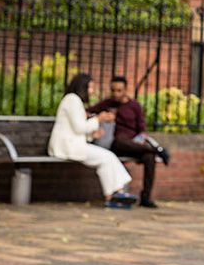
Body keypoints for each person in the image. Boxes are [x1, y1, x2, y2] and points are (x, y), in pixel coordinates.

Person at [48, 73, 137, 209]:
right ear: (83, 87)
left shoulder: (74, 100)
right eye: (90, 87)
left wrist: (92, 135)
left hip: (74, 144)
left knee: (106, 159)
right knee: (107, 157)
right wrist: (98, 119)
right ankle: (117, 194)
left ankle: (115, 194)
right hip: (67, 147)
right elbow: (79, 128)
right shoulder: (72, 100)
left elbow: (77, 128)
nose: (92, 91)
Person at [89, 75, 163, 208]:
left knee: (149, 157)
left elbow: (142, 131)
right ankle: (156, 150)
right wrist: (100, 120)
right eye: (113, 90)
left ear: (125, 90)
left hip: (134, 145)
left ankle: (146, 198)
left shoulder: (135, 106)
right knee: (120, 140)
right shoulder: (107, 104)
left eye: (119, 90)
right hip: (116, 144)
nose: (115, 94)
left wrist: (139, 141)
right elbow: (88, 112)